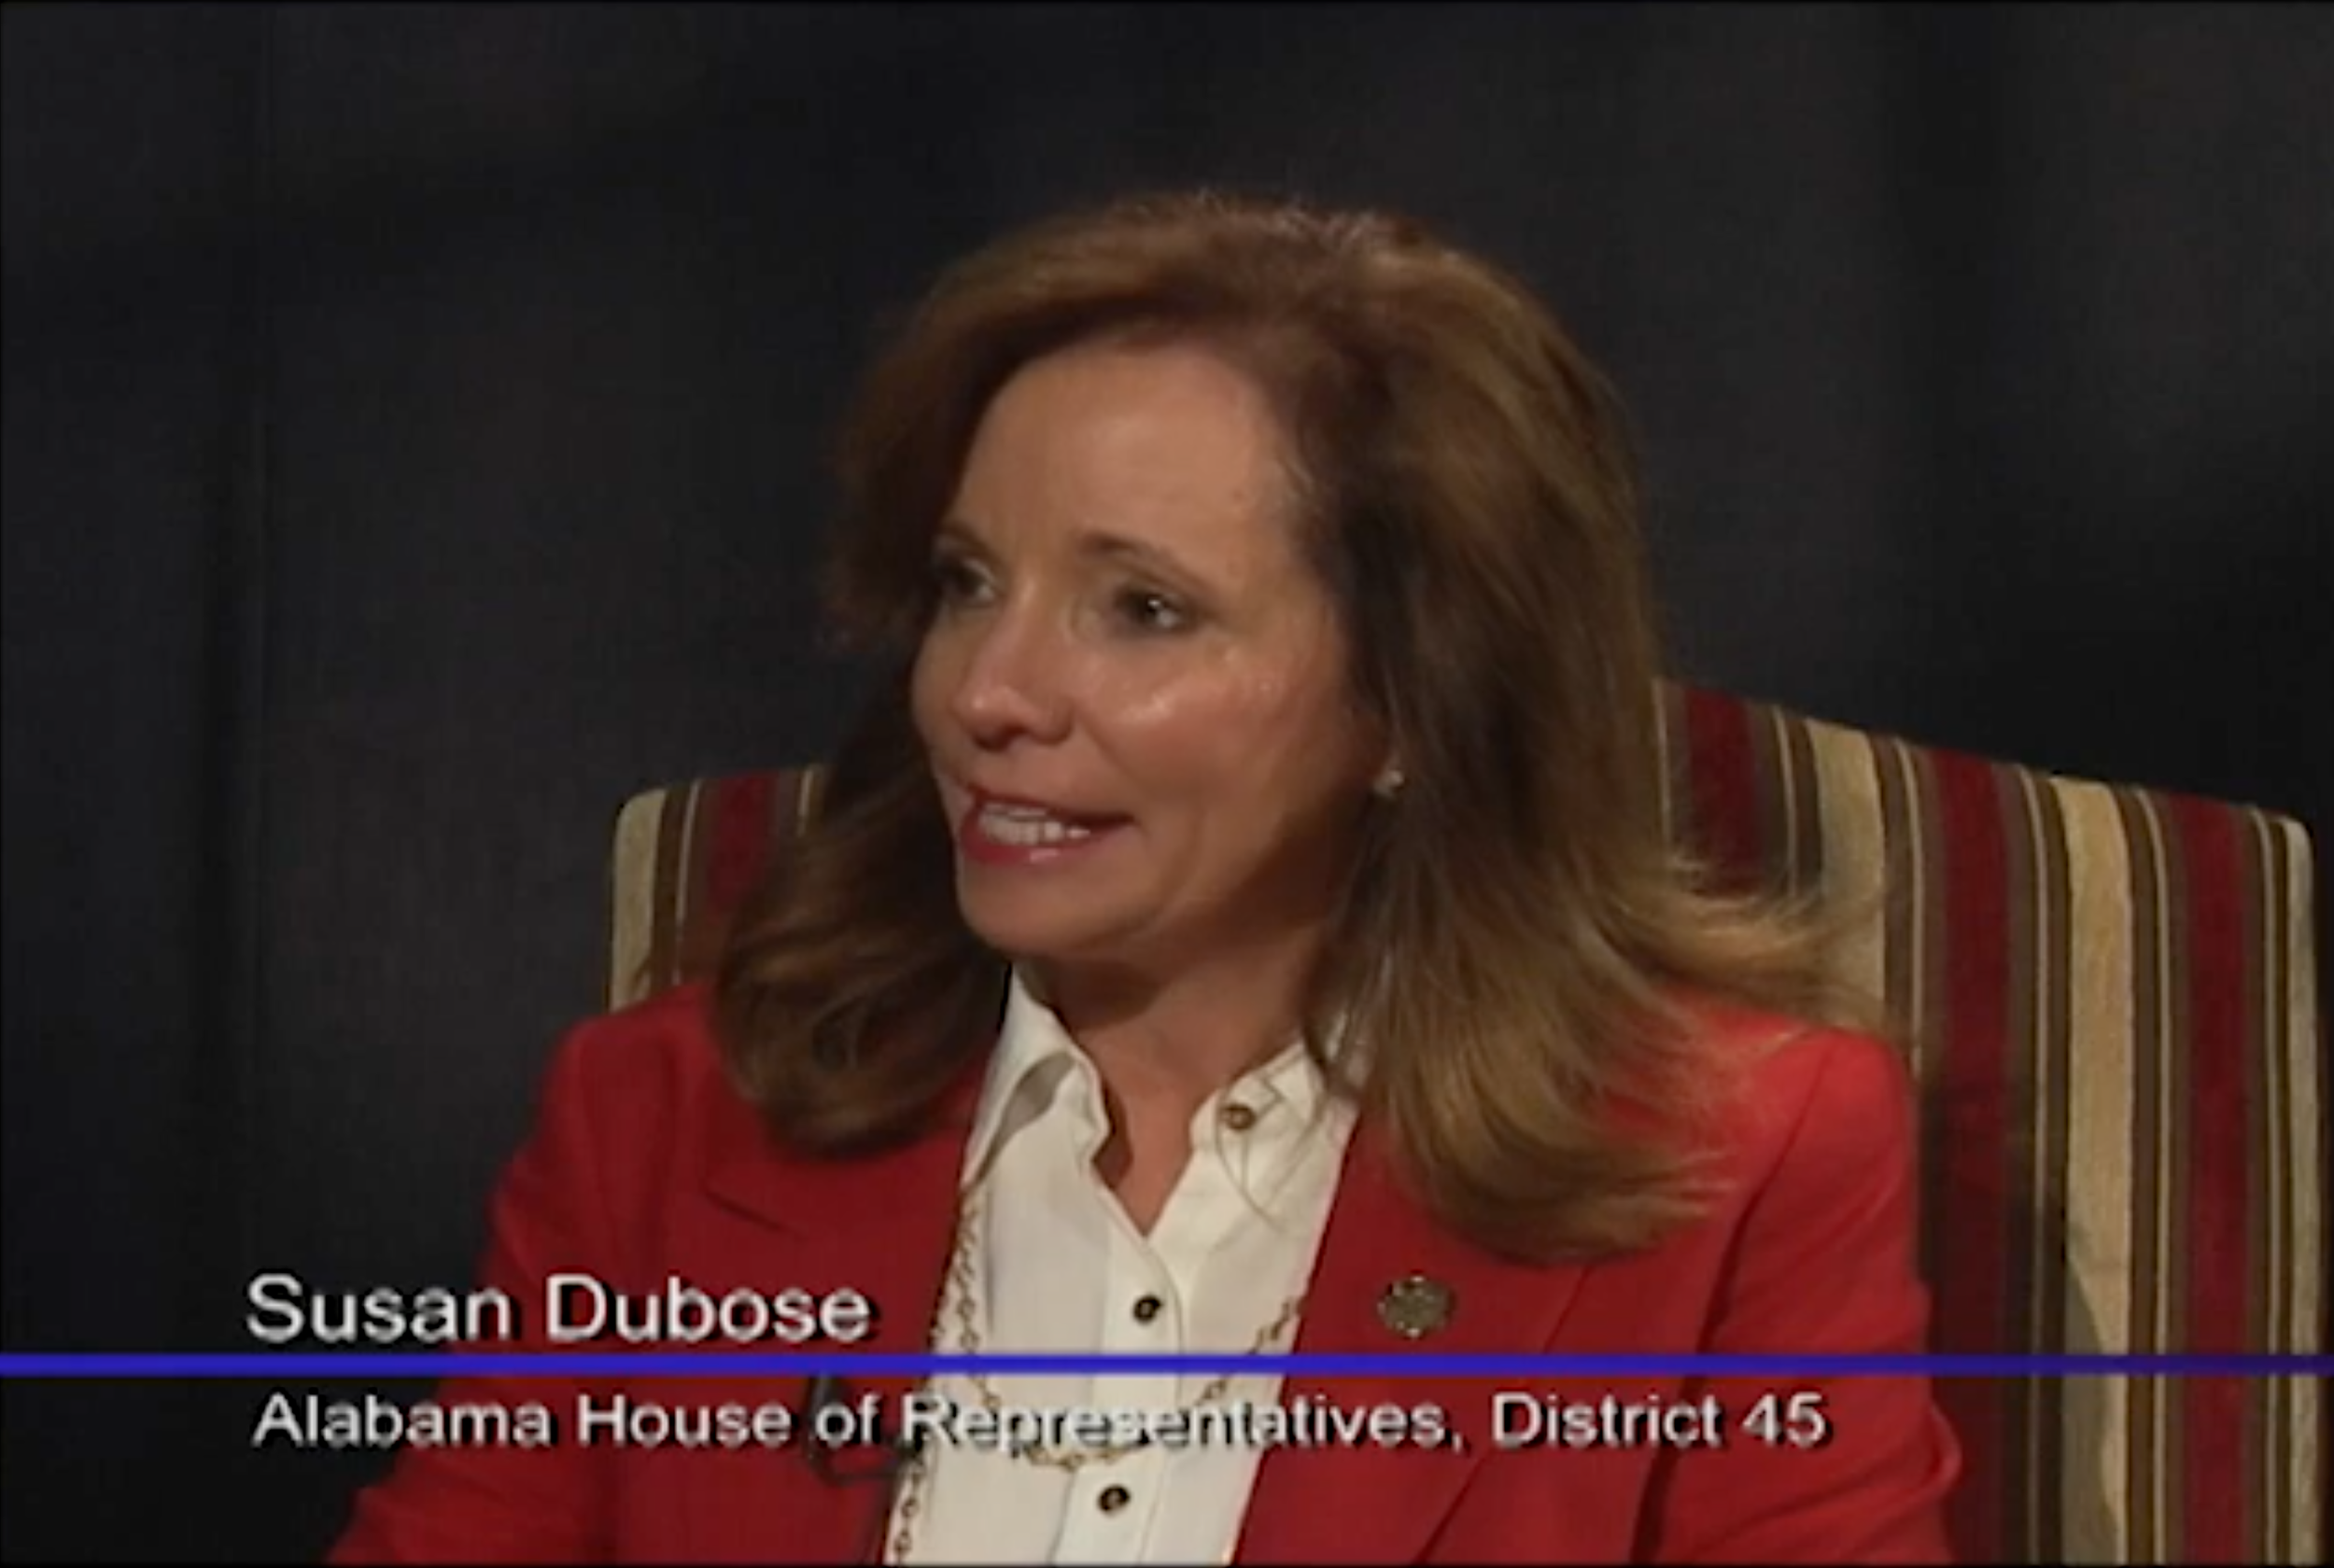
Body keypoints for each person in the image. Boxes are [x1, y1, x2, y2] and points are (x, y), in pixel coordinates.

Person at [330, 189, 1960, 1563]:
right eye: (970, 584)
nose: (986, 695)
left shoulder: (1740, 1156)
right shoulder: (664, 1122)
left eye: (1144, 609)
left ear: (1410, 699)